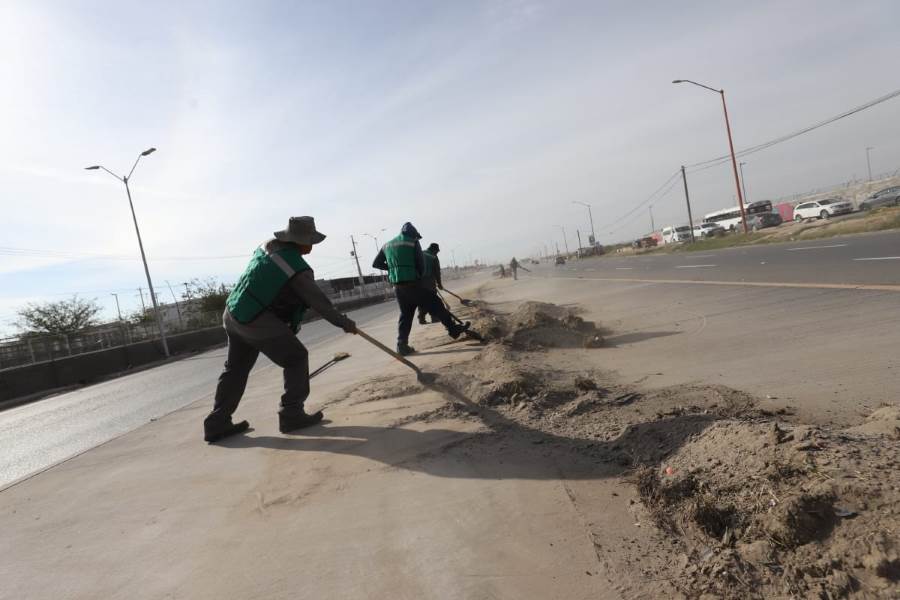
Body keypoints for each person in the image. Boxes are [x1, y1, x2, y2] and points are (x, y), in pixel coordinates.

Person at [203, 217, 357, 443]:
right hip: (256, 320)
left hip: (233, 312)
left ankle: (216, 423)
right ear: (302, 242)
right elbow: (320, 303)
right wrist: (344, 323)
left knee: (235, 369)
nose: (312, 246)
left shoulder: (268, 246)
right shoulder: (296, 267)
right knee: (296, 358)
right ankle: (291, 413)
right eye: (310, 241)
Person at [373, 223, 468, 355]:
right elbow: (421, 265)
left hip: (398, 287)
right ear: (413, 234)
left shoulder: (386, 245)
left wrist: (393, 268)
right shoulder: (413, 242)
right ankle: (453, 330)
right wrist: (419, 277)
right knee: (437, 304)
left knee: (406, 316)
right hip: (413, 284)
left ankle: (402, 345)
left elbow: (376, 263)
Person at [417, 242, 443, 325]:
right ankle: (434, 318)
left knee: (422, 300)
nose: (437, 253)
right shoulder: (433, 257)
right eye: (437, 251)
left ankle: (421, 318)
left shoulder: (420, 253)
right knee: (432, 299)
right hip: (429, 280)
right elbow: (437, 272)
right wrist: (439, 284)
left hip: (418, 281)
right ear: (434, 250)